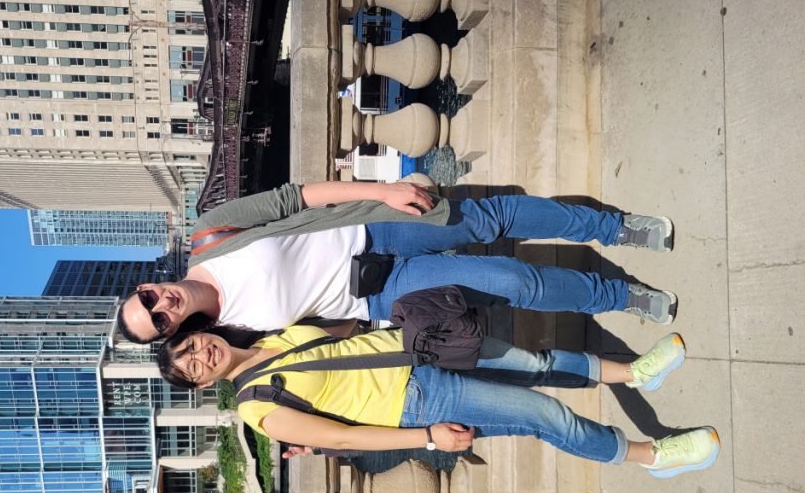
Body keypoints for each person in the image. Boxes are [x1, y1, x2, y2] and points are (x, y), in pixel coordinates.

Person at [118, 180, 678, 343]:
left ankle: (615, 227)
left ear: (147, 283)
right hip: (383, 292)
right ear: (170, 334)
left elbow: (295, 200)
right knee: (509, 280)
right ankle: (621, 297)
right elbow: (310, 339)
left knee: (490, 219)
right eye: (157, 322)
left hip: (371, 224)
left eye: (147, 299)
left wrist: (383, 189)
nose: (161, 305)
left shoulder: (210, 236)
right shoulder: (230, 335)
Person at [156, 325, 720, 479]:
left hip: (420, 346)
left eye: (191, 347)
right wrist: (427, 437)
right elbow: (347, 437)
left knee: (534, 361)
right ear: (204, 386)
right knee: (542, 416)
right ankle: (652, 457)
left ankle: (634, 373)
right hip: (417, 397)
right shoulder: (256, 406)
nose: (201, 356)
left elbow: (343, 334)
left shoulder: (264, 336)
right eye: (193, 368)